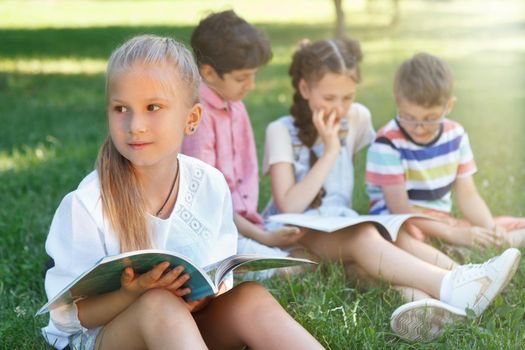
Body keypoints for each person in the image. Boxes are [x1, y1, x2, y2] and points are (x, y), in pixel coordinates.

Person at [41, 35, 324, 350]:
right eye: (121, 108)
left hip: (184, 326)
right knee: (158, 304)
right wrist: (132, 293)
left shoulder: (209, 184)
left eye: (153, 107)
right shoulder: (87, 204)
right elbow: (69, 316)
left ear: (191, 120)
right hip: (106, 336)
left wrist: (198, 299)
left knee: (250, 297)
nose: (135, 124)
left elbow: (218, 276)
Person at [262, 38, 521, 341]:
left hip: (339, 223)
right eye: (329, 97)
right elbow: (289, 207)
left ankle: (421, 303)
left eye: (347, 97)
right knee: (364, 237)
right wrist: (331, 149)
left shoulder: (357, 117)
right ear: (305, 89)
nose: (339, 108)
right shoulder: (279, 131)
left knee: (366, 260)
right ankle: (457, 284)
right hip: (297, 232)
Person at [181, 10, 306, 276]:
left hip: (244, 224)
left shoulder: (235, 107)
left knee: (307, 249)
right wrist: (265, 237)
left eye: (253, 75)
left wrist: (261, 231)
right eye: (242, 78)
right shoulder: (198, 116)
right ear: (209, 72)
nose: (251, 85)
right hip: (212, 229)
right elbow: (210, 203)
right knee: (293, 268)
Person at [365, 52, 525, 248]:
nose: (419, 127)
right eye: (409, 117)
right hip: (401, 222)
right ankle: (453, 249)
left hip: (442, 222)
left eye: (430, 118)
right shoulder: (386, 142)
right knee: (405, 237)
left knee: (506, 226)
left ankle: (499, 239)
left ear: (448, 106)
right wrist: (454, 234)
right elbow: (400, 209)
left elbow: (468, 196)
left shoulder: (455, 136)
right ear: (398, 102)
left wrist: (490, 227)